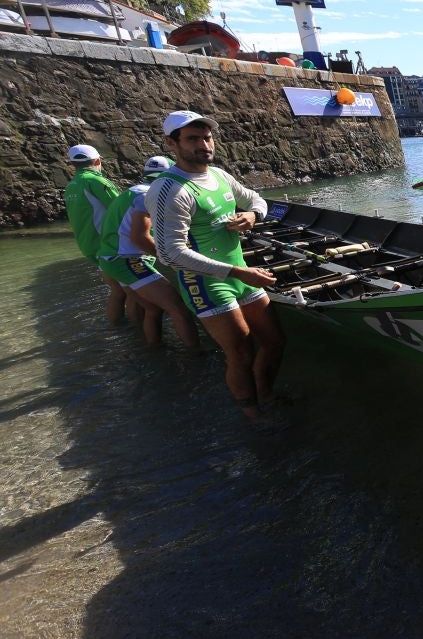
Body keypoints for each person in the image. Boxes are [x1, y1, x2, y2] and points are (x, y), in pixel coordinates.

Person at [148, 110, 286, 426]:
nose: (203, 144)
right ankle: (251, 414)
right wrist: (237, 272)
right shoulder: (169, 190)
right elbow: (169, 254)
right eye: (192, 139)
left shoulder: (220, 175)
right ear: (172, 143)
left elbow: (256, 200)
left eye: (207, 137)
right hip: (207, 281)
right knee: (240, 352)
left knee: (274, 341)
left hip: (241, 273)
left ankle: (265, 394)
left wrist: (253, 216)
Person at [96, 155, 202, 351]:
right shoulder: (148, 196)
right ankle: (196, 355)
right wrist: (173, 259)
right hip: (127, 260)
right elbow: (140, 237)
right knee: (178, 309)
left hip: (110, 258)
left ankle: (152, 348)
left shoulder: (131, 191)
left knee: (153, 308)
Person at [63, 143, 138, 325]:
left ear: (72, 164)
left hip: (88, 246)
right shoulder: (96, 181)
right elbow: (122, 206)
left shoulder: (71, 186)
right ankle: (140, 333)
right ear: (97, 161)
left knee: (117, 290)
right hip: (107, 245)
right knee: (133, 291)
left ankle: (115, 328)